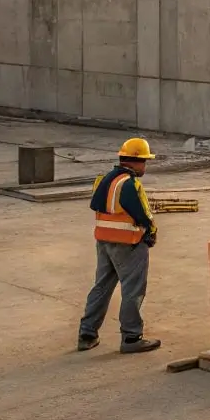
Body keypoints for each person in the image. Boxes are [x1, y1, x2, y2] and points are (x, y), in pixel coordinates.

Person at [77, 137, 160, 353]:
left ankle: (87, 334)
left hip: (104, 241)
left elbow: (95, 205)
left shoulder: (103, 180)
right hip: (129, 244)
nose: (145, 166)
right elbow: (143, 215)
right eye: (144, 161)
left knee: (102, 287)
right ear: (134, 161)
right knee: (133, 290)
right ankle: (131, 338)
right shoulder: (130, 184)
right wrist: (151, 233)